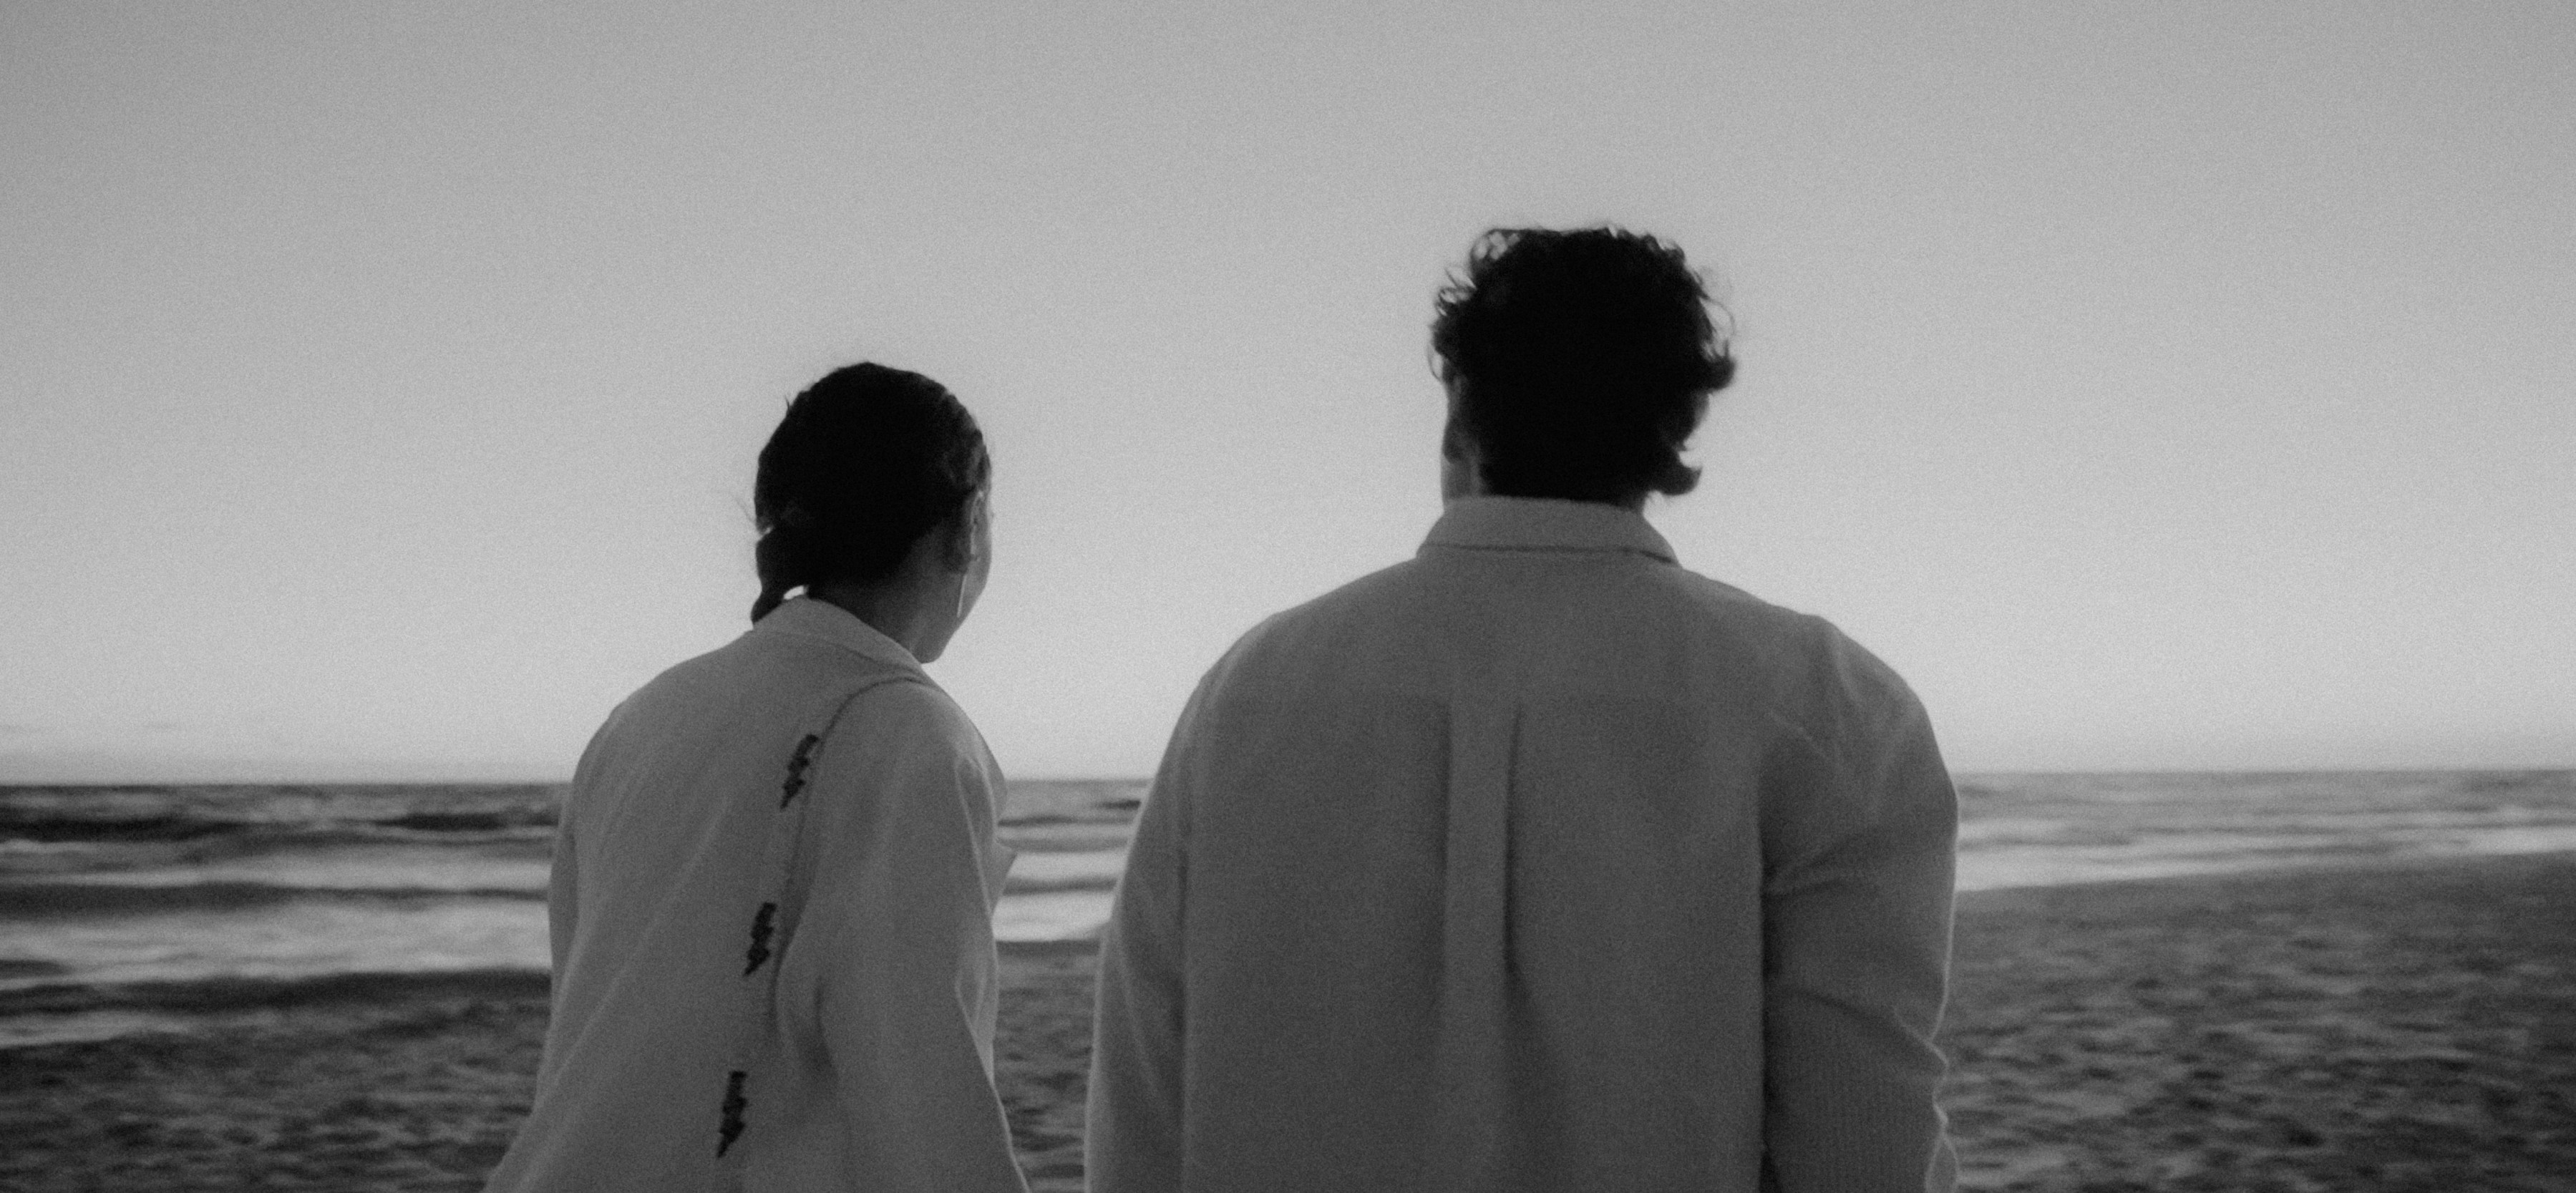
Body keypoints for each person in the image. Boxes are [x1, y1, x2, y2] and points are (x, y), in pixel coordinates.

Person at [1087, 228, 1959, 1192]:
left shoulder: (1251, 689)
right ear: (1675, 428)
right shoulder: (1828, 705)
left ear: (1460, 408)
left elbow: (1143, 1093)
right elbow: (1863, 1127)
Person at [484, 364, 1029, 1192]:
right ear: (968, 528)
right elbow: (923, 1094)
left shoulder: (639, 719)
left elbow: (584, 1031)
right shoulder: (905, 729)